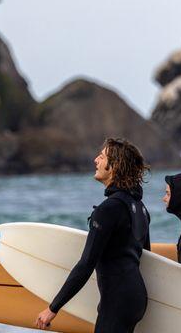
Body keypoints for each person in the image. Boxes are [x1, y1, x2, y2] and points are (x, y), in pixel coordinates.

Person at [36, 138, 151, 333]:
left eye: (102, 156)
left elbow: (86, 263)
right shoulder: (140, 208)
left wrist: (53, 308)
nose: (95, 160)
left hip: (117, 299)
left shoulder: (109, 209)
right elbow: (145, 255)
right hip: (135, 297)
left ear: (114, 166)